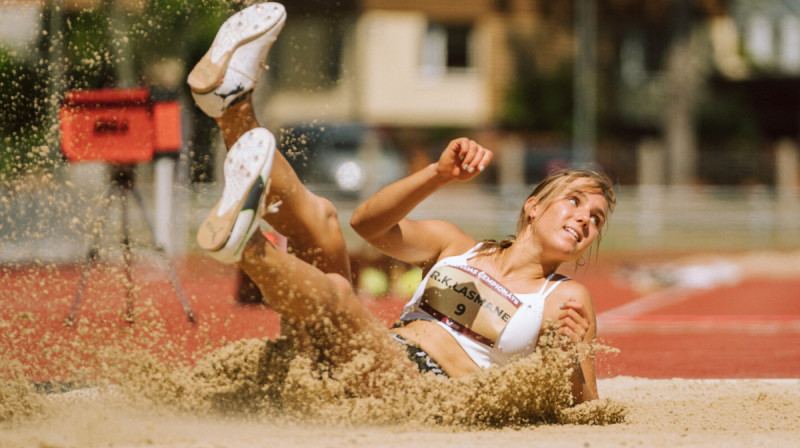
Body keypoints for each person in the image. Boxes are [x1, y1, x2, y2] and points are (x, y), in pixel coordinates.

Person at [189, 2, 616, 404]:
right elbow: (368, 225)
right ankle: (232, 105)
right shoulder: (456, 247)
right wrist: (438, 174)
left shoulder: (563, 298)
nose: (584, 219)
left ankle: (246, 244)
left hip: (420, 391)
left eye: (596, 219)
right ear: (534, 207)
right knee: (323, 219)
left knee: (339, 293)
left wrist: (574, 354)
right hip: (368, 357)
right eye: (574, 202)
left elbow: (586, 406)